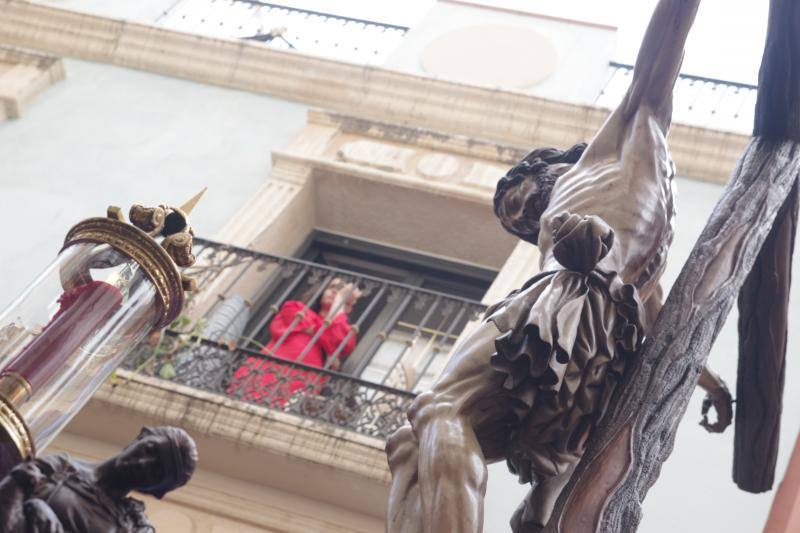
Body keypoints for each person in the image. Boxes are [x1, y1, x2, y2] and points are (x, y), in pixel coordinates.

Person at [385, 1, 733, 532]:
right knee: (411, 445)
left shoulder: (615, 146)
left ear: (554, 166)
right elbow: (659, 327)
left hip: (556, 313)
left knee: (437, 410)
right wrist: (710, 382)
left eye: (522, 200)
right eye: (518, 221)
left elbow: (664, 45)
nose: (525, 218)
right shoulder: (648, 226)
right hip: (597, 358)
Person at [0, 426, 198, 533]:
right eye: (150, 449)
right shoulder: (60, 466)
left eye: (157, 471)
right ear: (142, 436)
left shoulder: (135, 528)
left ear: (157, 490)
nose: (144, 463)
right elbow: (8, 496)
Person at [227, 278, 362, 405]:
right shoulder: (295, 308)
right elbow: (324, 336)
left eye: (341, 292)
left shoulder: (347, 331)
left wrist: (338, 303)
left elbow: (341, 343)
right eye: (332, 287)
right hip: (265, 373)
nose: (335, 292)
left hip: (301, 384)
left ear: (349, 308)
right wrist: (329, 345)